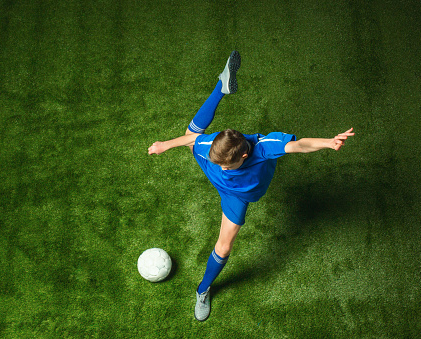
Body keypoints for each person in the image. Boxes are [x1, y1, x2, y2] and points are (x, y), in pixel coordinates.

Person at [148, 51, 355, 321]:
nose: (222, 166)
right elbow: (191, 142)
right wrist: (164, 145)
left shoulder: (264, 148)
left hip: (236, 196)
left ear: (244, 156)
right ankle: (221, 87)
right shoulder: (212, 151)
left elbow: (300, 145)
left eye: (227, 164)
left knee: (223, 247)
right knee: (192, 138)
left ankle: (203, 288)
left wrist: (328, 142)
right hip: (213, 172)